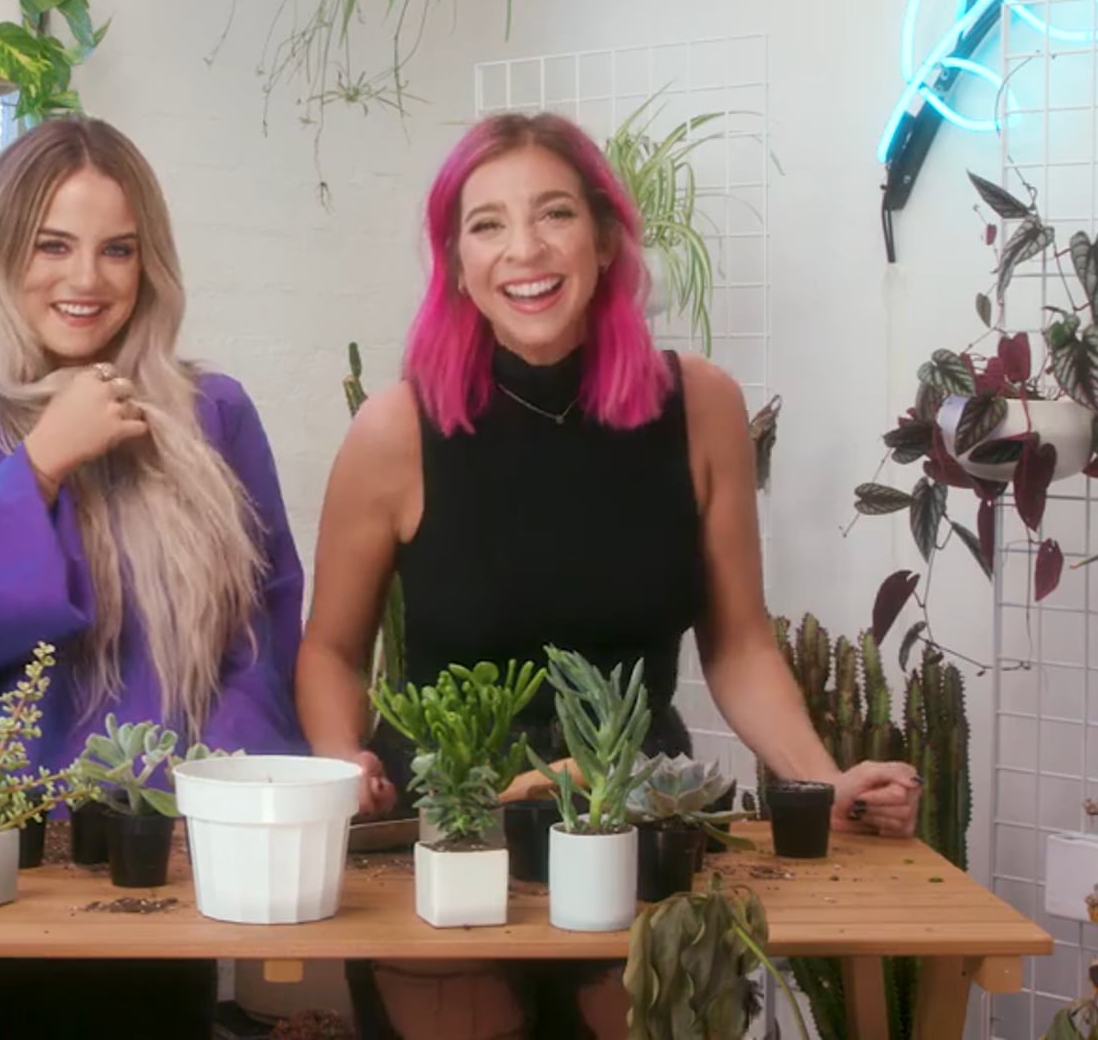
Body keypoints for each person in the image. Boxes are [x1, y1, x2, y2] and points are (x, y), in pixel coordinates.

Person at [296, 112, 922, 1040]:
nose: (525, 249)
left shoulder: (700, 407)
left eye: (553, 213)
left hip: (638, 816)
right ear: (457, 264)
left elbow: (739, 645)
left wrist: (818, 784)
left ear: (603, 237)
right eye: (487, 225)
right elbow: (331, 650)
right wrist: (338, 759)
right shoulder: (395, 431)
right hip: (450, 825)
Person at [0, 116, 306, 1039]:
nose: (86, 279)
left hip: (143, 873)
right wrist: (43, 462)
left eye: (117, 249)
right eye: (53, 245)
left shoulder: (213, 414)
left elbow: (258, 636)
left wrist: (220, 804)